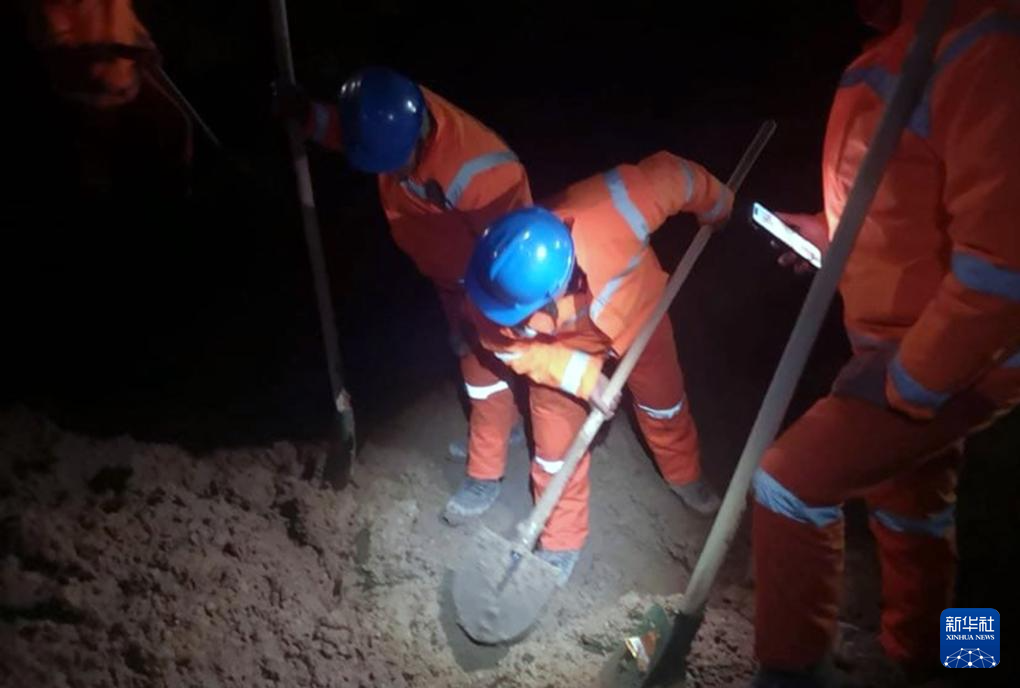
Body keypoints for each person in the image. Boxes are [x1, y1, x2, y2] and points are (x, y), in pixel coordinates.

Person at [752, 1, 1020, 684]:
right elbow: (899, 205)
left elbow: (1003, 265)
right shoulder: (896, 49)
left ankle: (790, 674)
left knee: (790, 480)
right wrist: (830, 236)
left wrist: (909, 384)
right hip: (908, 342)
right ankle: (939, 662)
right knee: (916, 508)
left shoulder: (982, 43)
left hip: (964, 356)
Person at [463, 151, 734, 581]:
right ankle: (559, 542)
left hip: (637, 318)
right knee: (554, 446)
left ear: (560, 285)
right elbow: (515, 351)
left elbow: (678, 176)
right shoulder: (494, 291)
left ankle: (685, 474)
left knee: (664, 402)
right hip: (564, 349)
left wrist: (719, 207)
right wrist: (586, 379)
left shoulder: (616, 208)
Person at [279, 67, 530, 521]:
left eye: (395, 163)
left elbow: (510, 259)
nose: (389, 173)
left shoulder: (483, 175)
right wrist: (310, 118)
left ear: (419, 138)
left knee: (483, 365)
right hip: (445, 268)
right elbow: (352, 131)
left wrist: (475, 314)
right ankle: (504, 426)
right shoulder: (389, 113)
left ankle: (486, 474)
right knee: (470, 359)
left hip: (486, 280)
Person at [21, 0, 193, 191]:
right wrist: (118, 51)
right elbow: (58, 49)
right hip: (87, 92)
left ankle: (179, 193)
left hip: (126, 79)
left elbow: (130, 24)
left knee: (176, 125)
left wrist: (145, 46)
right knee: (99, 160)